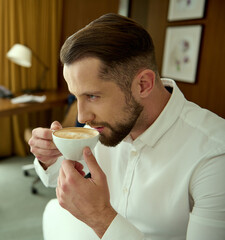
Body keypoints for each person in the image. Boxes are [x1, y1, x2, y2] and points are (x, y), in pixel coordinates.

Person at [28, 13, 225, 240]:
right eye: (76, 96)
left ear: (143, 84)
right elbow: (57, 177)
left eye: (92, 96)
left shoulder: (216, 155)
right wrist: (48, 157)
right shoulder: (106, 125)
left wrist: (100, 217)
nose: (82, 117)